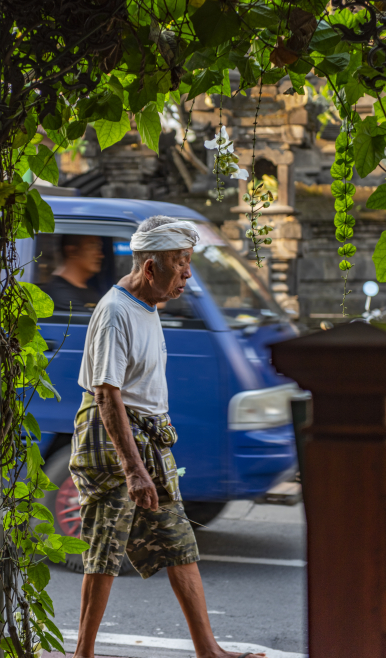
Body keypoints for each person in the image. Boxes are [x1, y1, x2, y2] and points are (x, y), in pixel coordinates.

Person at [69, 215, 264, 658]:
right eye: (180, 264)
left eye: (189, 262)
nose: (188, 274)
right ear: (151, 268)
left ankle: (207, 650)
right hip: (112, 437)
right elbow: (106, 395)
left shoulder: (147, 304)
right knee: (105, 548)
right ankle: (83, 653)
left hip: (146, 437)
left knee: (179, 542)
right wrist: (134, 470)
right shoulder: (115, 312)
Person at [44, 234, 103, 312]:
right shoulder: (60, 295)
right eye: (92, 247)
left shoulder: (88, 290)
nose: (100, 255)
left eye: (99, 247)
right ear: (71, 251)